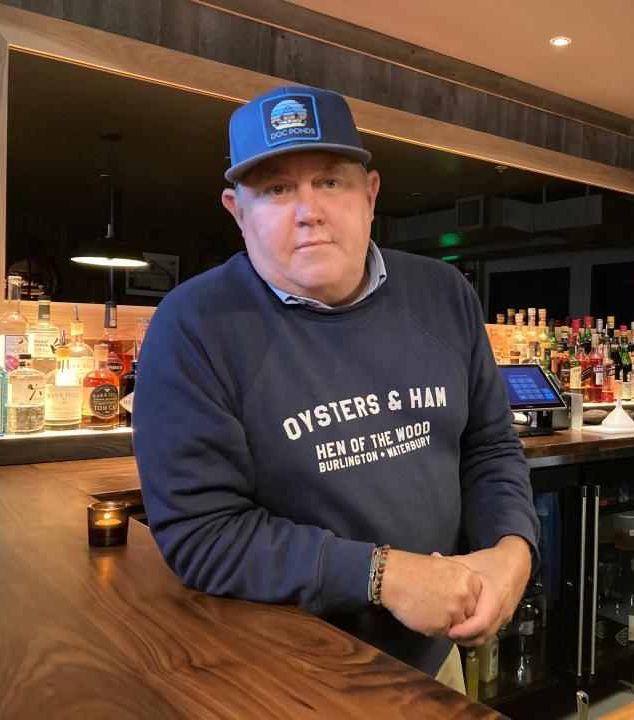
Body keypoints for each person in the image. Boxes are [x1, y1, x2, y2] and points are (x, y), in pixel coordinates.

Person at [133, 85, 538, 688]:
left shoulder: (445, 295)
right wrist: (383, 575)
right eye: (275, 189)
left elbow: (490, 447)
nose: (308, 210)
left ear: (370, 194)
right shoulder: (193, 326)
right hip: (281, 675)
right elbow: (201, 535)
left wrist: (513, 548)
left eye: (329, 181)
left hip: (433, 663)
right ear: (236, 210)